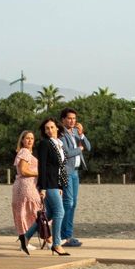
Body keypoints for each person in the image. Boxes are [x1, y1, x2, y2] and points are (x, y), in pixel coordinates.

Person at [35, 118, 71, 257]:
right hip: (48, 183)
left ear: (57, 128)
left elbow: (60, 167)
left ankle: (24, 237)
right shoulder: (45, 144)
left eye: (52, 127)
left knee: (48, 214)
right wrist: (42, 187)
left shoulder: (58, 143)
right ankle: (56, 244)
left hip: (56, 183)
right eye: (47, 128)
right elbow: (42, 166)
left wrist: (61, 185)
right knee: (60, 212)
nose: (49, 130)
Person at [59, 107, 90, 248]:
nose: (72, 121)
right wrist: (79, 149)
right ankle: (63, 235)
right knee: (68, 203)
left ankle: (69, 234)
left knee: (74, 203)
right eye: (69, 118)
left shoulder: (76, 132)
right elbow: (65, 153)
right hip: (66, 171)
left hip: (76, 172)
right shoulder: (61, 135)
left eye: (74, 119)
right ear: (63, 120)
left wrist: (82, 135)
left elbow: (88, 147)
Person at [11, 130, 43, 253]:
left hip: (25, 186)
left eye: (32, 138)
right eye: (27, 138)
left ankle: (25, 241)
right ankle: (48, 240)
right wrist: (39, 173)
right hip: (26, 186)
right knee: (35, 212)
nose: (30, 140)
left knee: (23, 212)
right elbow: (23, 171)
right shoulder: (24, 152)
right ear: (22, 140)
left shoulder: (26, 152)